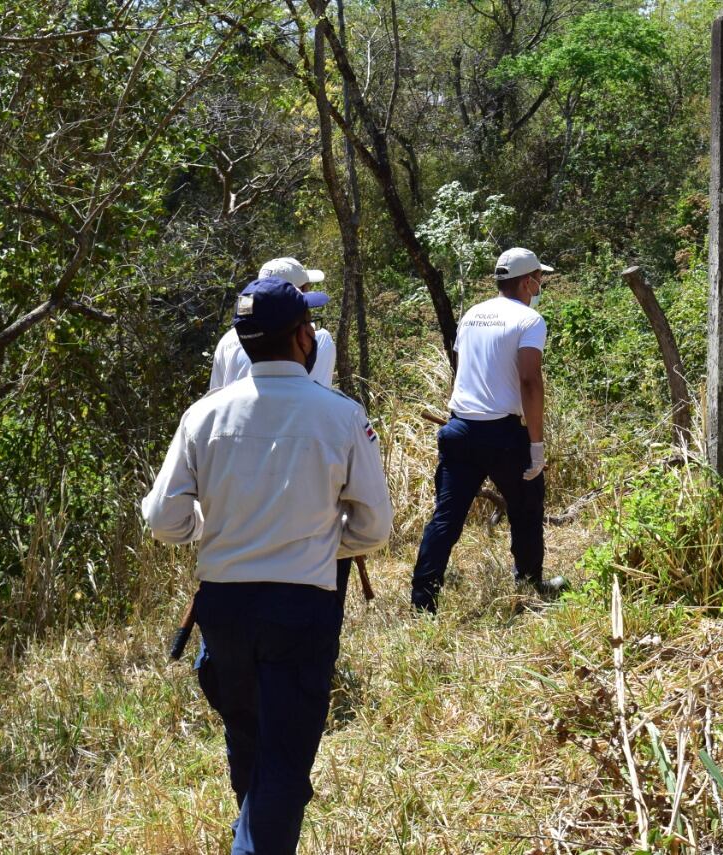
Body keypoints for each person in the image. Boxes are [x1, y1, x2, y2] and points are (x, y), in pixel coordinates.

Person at [142, 277, 392, 854]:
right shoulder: (341, 415)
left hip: (223, 607)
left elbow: (162, 520)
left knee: (249, 739)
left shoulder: (203, 416)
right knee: (282, 762)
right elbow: (373, 527)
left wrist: (217, 531)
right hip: (301, 605)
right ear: (304, 337)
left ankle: (253, 831)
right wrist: (317, 542)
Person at [410, 247, 567, 613]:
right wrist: (537, 444)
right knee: (526, 508)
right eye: (539, 278)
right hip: (503, 435)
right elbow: (530, 380)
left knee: (446, 518)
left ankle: (423, 602)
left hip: (460, 429)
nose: (540, 284)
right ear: (527, 281)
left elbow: (463, 368)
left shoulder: (472, 315)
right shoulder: (529, 320)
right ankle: (528, 585)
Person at [209, 257, 338, 390]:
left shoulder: (226, 341)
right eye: (307, 286)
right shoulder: (319, 338)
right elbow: (321, 395)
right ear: (301, 291)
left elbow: (215, 393)